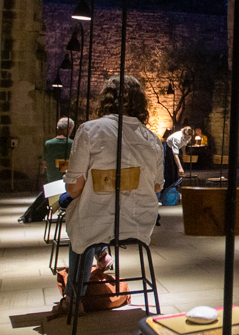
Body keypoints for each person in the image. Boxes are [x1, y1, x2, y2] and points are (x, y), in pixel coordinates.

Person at [59, 75, 164, 310]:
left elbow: (73, 189)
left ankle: (74, 298)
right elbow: (157, 187)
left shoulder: (89, 131)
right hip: (138, 223)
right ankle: (102, 255)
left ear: (106, 100)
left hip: (95, 221)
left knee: (83, 216)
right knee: (93, 217)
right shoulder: (152, 139)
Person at [18, 118, 74, 222]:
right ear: (69, 129)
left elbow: (44, 164)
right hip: (67, 182)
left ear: (57, 128)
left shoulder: (48, 144)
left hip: (51, 181)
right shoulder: (72, 144)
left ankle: (31, 214)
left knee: (45, 194)